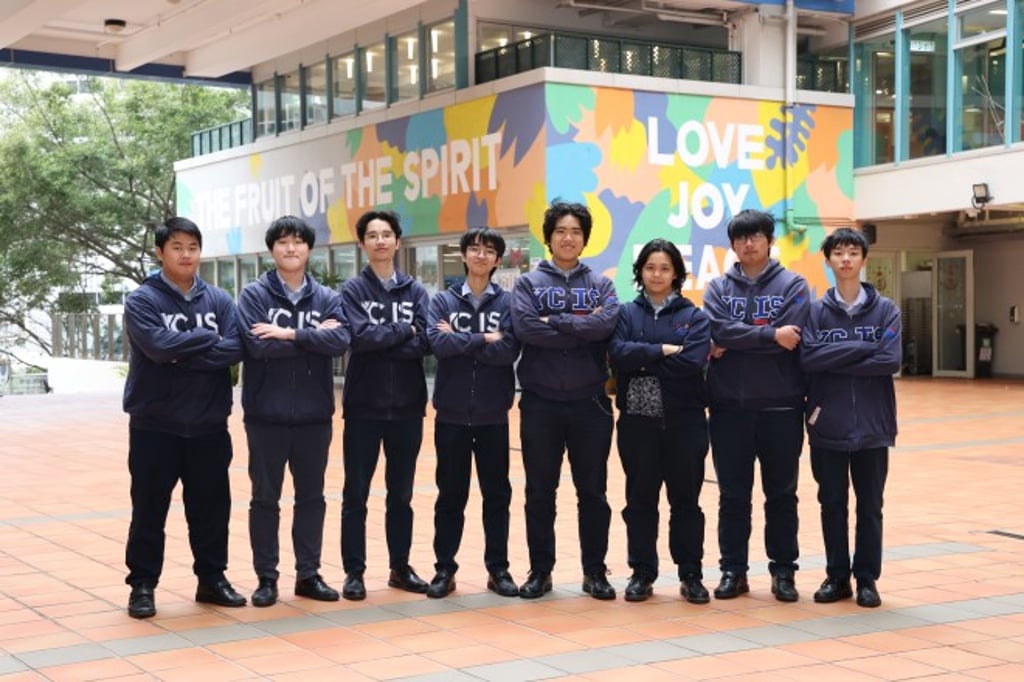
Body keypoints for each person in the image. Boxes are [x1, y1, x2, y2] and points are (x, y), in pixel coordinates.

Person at [122, 216, 245, 619]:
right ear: (160, 252)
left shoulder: (220, 299)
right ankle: (142, 585)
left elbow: (235, 347)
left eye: (192, 247)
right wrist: (206, 341)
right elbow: (157, 346)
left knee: (211, 508)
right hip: (155, 426)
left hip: (209, 425)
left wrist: (183, 352)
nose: (186, 254)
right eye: (177, 247)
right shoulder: (143, 299)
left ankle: (212, 579)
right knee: (149, 508)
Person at [238, 215, 351, 607]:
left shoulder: (327, 297)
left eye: (298, 242)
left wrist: (289, 333)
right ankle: (266, 578)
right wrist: (313, 337)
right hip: (265, 416)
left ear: (309, 248)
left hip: (314, 416)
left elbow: (339, 340)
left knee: (312, 498)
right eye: (283, 242)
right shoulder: (254, 295)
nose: (291, 248)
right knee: (265, 499)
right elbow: (256, 346)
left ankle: (308, 574)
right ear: (272, 249)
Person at [510, 200, 620, 600]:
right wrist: (581, 325)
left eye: (575, 231)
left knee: (593, 492)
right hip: (540, 403)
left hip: (590, 403)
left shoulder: (602, 285)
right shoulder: (528, 284)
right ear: (549, 237)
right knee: (540, 491)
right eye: (560, 231)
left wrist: (554, 322)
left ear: (584, 238)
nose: (568, 237)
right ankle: (541, 570)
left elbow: (606, 324)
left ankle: (595, 571)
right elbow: (525, 327)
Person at [702, 209, 810, 602]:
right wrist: (769, 336)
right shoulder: (717, 288)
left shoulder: (794, 285)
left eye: (756, 236)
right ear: (733, 244)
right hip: (728, 408)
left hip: (782, 408)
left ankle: (784, 572)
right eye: (741, 238)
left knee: (782, 495)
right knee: (733, 496)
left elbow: (793, 333)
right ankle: (733, 571)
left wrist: (738, 339)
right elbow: (715, 329)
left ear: (769, 240)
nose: (749, 243)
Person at [800, 227, 901, 608]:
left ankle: (867, 579)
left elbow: (889, 361)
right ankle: (837, 576)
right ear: (827, 260)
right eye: (838, 253)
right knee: (832, 504)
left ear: (863, 259)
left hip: (873, 427)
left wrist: (836, 358)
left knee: (870, 507)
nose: (845, 259)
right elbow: (808, 360)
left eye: (852, 253)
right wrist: (861, 346)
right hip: (827, 425)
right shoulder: (814, 311)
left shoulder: (886, 309)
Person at [608, 239, 712, 604]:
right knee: (640, 500)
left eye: (665, 268)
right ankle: (642, 572)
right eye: (651, 267)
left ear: (676, 274)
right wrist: (663, 351)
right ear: (640, 272)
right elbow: (618, 356)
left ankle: (691, 574)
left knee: (686, 502)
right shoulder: (624, 314)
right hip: (639, 417)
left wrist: (643, 361)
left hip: (686, 419)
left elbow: (691, 363)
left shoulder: (694, 316)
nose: (657, 274)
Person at [424, 227, 521, 599]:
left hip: (493, 415)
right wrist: (483, 338)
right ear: (463, 256)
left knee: (497, 496)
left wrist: (461, 341)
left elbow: (509, 350)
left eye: (489, 250)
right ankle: (444, 569)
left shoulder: (509, 304)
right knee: (450, 496)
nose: (481, 255)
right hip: (450, 415)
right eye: (474, 249)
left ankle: (498, 569)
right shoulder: (441, 301)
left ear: (498, 260)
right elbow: (438, 344)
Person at [339, 210, 431, 600]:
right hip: (363, 406)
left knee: (401, 495)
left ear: (397, 241)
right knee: (355, 493)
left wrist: (390, 337)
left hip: (408, 408)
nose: (380, 241)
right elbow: (359, 338)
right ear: (362, 244)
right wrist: (403, 331)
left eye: (386, 234)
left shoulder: (417, 291)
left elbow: (426, 342)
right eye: (372, 235)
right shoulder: (351, 291)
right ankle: (354, 572)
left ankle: (400, 566)